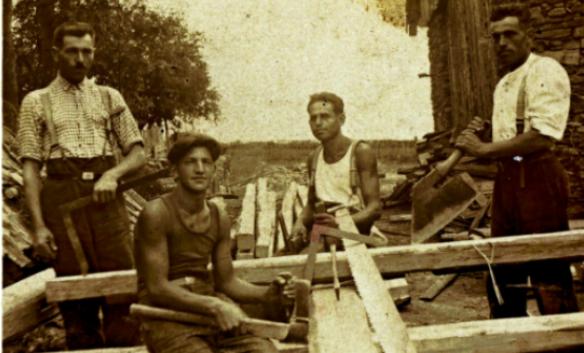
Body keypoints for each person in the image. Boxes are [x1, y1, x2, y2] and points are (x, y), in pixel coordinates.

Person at [17, 21, 145, 348]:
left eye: (86, 51)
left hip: (106, 201)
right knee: (76, 301)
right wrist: (40, 227)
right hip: (62, 205)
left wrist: (112, 175)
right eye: (72, 51)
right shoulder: (37, 101)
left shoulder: (108, 96)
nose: (80, 59)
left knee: (122, 293)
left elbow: (138, 153)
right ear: (56, 53)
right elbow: (30, 169)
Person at [455, 4, 578, 318]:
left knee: (547, 268)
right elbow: (507, 145)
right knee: (502, 266)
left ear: (529, 36)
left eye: (510, 34)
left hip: (538, 178)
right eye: (496, 37)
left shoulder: (545, 71)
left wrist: (482, 149)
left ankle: (565, 340)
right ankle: (508, 337)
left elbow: (541, 136)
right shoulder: (505, 83)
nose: (502, 44)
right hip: (508, 180)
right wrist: (474, 151)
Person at [135, 133, 294, 353]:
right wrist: (215, 305)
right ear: (174, 172)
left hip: (207, 303)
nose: (199, 169)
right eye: (190, 162)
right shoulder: (156, 214)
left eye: (206, 162)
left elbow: (226, 281)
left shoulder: (219, 216)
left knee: (264, 351)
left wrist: (266, 293)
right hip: (165, 313)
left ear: (214, 171)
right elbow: (157, 288)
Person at [288, 92, 382, 253]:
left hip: (354, 234)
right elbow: (311, 204)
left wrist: (340, 222)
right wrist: (300, 222)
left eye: (325, 117)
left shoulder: (360, 152)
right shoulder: (314, 158)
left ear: (341, 119)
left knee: (304, 263)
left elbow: (375, 208)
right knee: (281, 258)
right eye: (313, 118)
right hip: (323, 231)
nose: (318, 123)